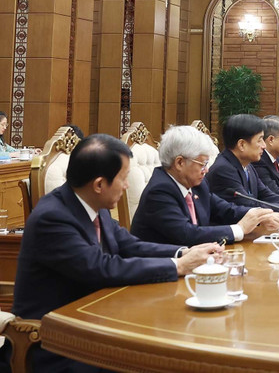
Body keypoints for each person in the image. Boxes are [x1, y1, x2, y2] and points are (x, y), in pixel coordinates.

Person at [13, 134, 221, 371]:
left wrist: (184, 253)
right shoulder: (52, 218)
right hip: (55, 342)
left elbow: (130, 245)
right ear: (99, 185)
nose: (127, 185)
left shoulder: (92, 202)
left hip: (96, 320)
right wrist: (178, 267)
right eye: (123, 178)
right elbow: (100, 267)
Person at [132, 125, 279, 246]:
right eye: (202, 164)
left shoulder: (197, 184)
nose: (207, 170)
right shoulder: (160, 191)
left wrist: (259, 216)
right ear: (180, 162)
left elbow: (225, 210)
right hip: (161, 273)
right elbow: (187, 234)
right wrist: (239, 229)